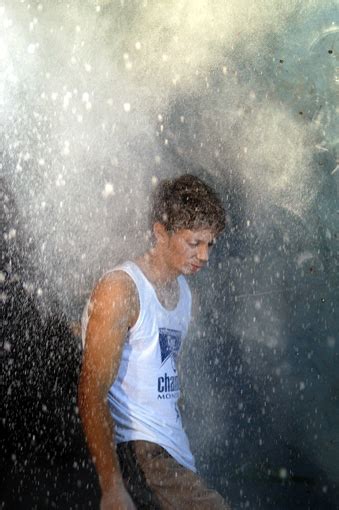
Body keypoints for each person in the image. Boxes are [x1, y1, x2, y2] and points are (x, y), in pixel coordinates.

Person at [78, 174, 231, 510]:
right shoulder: (121, 289)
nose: (204, 256)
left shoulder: (186, 295)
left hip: (175, 456)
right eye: (195, 243)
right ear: (161, 232)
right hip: (142, 452)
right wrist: (112, 487)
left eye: (210, 244)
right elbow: (91, 391)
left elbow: (163, 375)